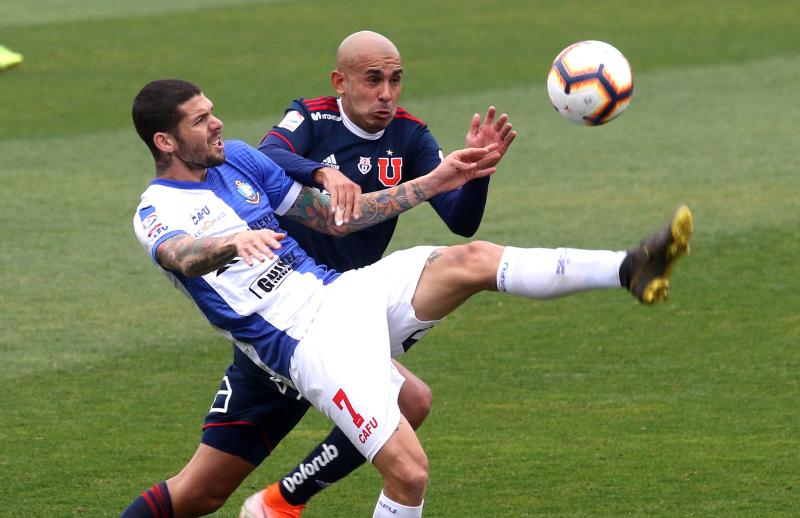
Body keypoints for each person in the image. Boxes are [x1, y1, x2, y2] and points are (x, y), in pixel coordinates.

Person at [122, 78, 692, 518]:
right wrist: (228, 243)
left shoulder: (240, 158)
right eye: (201, 120)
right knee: (408, 474)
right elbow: (181, 255)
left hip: (340, 293)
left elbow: (335, 218)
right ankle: (278, 503)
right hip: (306, 344)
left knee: (469, 261)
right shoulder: (156, 209)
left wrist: (437, 181)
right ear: (166, 141)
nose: (217, 123)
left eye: (212, 111)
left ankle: (629, 268)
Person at [242, 29, 516, 516]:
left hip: (350, 310)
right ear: (340, 82)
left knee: (413, 402)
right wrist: (322, 172)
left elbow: (460, 219)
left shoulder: (410, 135)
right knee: (201, 491)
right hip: (290, 311)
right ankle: (279, 501)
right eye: (373, 80)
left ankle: (281, 500)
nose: (387, 93)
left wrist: (477, 174)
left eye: (395, 80)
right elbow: (268, 155)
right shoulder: (311, 116)